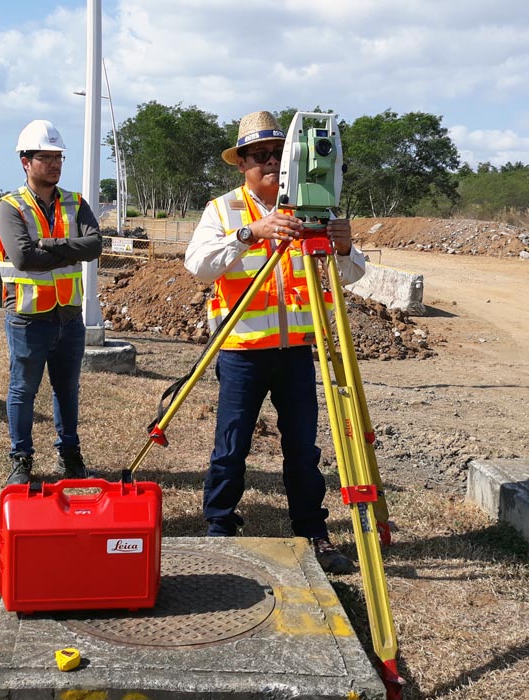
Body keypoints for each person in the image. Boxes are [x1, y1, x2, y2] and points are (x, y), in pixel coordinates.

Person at [184, 111, 367, 575]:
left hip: (298, 354)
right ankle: (220, 528)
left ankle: (313, 532)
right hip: (242, 351)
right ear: (241, 164)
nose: (267, 162)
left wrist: (343, 248)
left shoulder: (312, 207)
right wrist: (249, 234)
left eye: (275, 154)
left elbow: (350, 276)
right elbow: (199, 265)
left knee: (303, 449)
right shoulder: (224, 209)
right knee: (232, 446)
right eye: (257, 156)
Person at [0, 120, 103, 486]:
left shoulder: (75, 202)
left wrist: (51, 246)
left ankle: (69, 453)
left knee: (67, 389)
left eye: (58, 157)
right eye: (45, 157)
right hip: (27, 317)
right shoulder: (10, 207)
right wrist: (70, 251)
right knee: (23, 390)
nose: (54, 164)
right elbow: (23, 258)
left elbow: (95, 245)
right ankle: (20, 459)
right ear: (25, 161)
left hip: (69, 316)